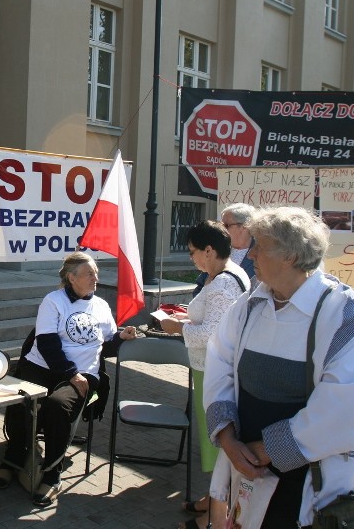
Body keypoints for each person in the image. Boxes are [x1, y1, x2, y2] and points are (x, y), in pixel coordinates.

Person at [204, 207, 354, 528]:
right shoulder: (249, 305)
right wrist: (228, 438)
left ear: (289, 256)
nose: (252, 252)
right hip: (249, 472)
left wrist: (269, 449)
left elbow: (348, 409)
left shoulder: (343, 316)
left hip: (309, 484)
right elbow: (219, 366)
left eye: (261, 245)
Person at [0, 251, 140, 506]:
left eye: (96, 272)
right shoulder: (54, 301)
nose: (96, 277)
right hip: (44, 367)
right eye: (90, 273)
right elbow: (47, 344)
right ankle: (14, 457)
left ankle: (52, 473)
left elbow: (106, 347)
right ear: (72, 278)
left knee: (57, 406)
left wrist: (121, 339)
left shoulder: (102, 306)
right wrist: (71, 373)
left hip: (86, 375)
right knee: (22, 401)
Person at [160, 221, 250, 529]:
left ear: (209, 251)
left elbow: (212, 334)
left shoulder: (224, 283)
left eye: (193, 251)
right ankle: (212, 499)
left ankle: (215, 515)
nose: (191, 258)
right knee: (215, 441)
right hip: (213, 368)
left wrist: (177, 327)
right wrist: (187, 316)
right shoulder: (223, 276)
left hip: (215, 371)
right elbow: (215, 321)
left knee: (217, 442)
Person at [193, 203, 256, 298]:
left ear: (244, 226)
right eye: (221, 225)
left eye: (226, 225)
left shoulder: (260, 254)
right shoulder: (218, 250)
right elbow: (200, 286)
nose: (222, 230)